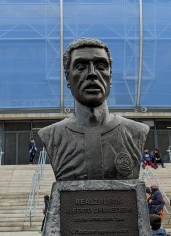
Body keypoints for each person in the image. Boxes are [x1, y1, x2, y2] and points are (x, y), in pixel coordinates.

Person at [39, 38, 148, 181]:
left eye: (101, 66)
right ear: (68, 78)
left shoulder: (136, 132)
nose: (92, 73)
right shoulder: (52, 136)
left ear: (110, 77)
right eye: (80, 67)